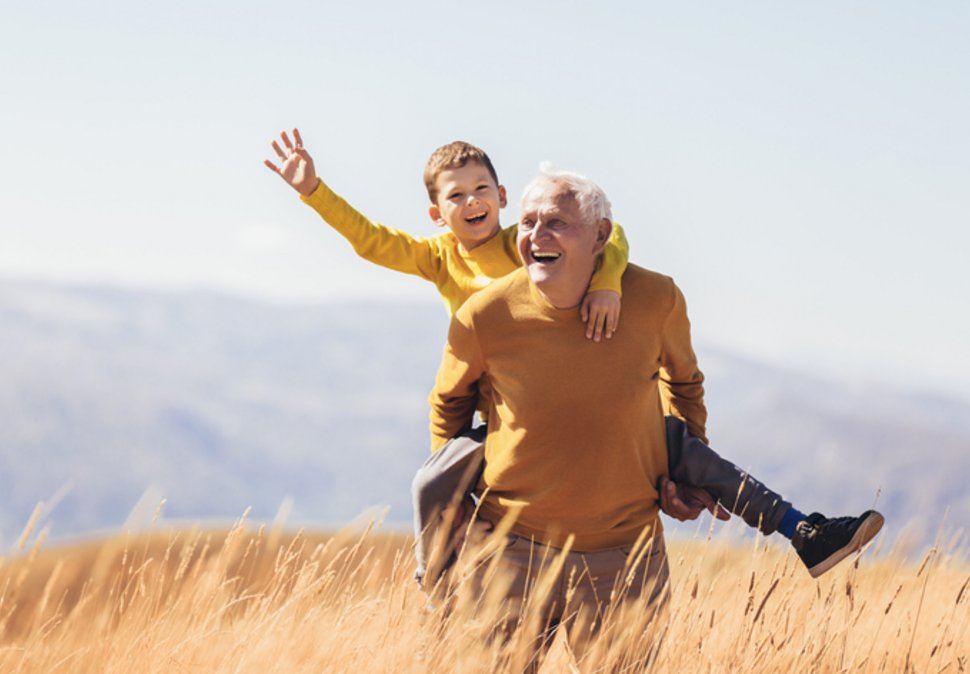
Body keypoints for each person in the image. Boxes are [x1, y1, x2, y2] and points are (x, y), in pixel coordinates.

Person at [263, 133, 883, 587]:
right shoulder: (439, 259)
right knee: (434, 481)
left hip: (602, 418)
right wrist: (315, 191)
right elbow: (372, 242)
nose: (473, 202)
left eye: (482, 189)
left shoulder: (528, 238)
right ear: (438, 213)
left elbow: (610, 237)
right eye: (457, 196)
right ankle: (439, 573)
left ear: (501, 196)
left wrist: (610, 281)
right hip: (502, 422)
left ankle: (804, 529)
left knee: (689, 451)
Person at [426, 165, 885, 642]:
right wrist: (457, 501)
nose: (536, 234)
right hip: (510, 552)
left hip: (625, 558)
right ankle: (803, 529)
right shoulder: (483, 315)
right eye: (527, 222)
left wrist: (680, 480)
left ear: (600, 236)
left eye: (556, 222)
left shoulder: (654, 299)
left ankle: (803, 532)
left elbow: (684, 385)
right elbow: (449, 404)